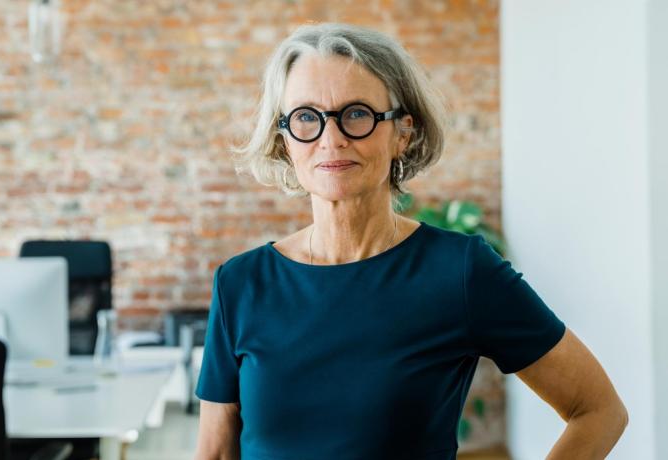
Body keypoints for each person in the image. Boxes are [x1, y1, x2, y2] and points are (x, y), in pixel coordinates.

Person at [193, 23, 627, 460]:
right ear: (284, 139)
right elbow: (214, 455)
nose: (331, 138)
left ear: (403, 132)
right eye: (306, 117)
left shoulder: (459, 271)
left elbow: (598, 410)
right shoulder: (240, 284)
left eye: (357, 113)